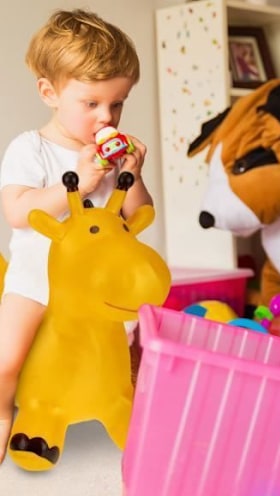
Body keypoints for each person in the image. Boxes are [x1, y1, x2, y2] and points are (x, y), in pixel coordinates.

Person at [0, 9, 153, 463]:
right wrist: (77, 182)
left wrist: (133, 176)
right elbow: (17, 212)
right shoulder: (31, 148)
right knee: (6, 358)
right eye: (92, 104)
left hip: (94, 290)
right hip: (36, 281)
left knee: (121, 362)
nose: (107, 116)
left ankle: (120, 420)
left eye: (118, 103)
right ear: (50, 92)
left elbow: (140, 216)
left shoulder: (111, 157)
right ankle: (4, 410)